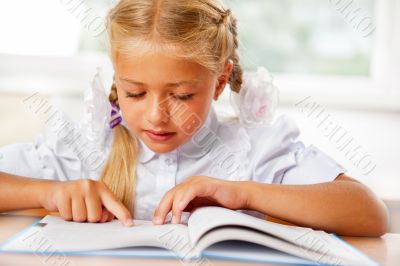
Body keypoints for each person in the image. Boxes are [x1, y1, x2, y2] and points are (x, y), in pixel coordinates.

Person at [0, 0, 388, 236]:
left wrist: (246, 193)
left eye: (182, 95)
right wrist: (46, 192)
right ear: (116, 78)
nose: (156, 115)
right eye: (135, 92)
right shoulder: (85, 146)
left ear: (220, 82)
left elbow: (369, 212)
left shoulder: (257, 150)